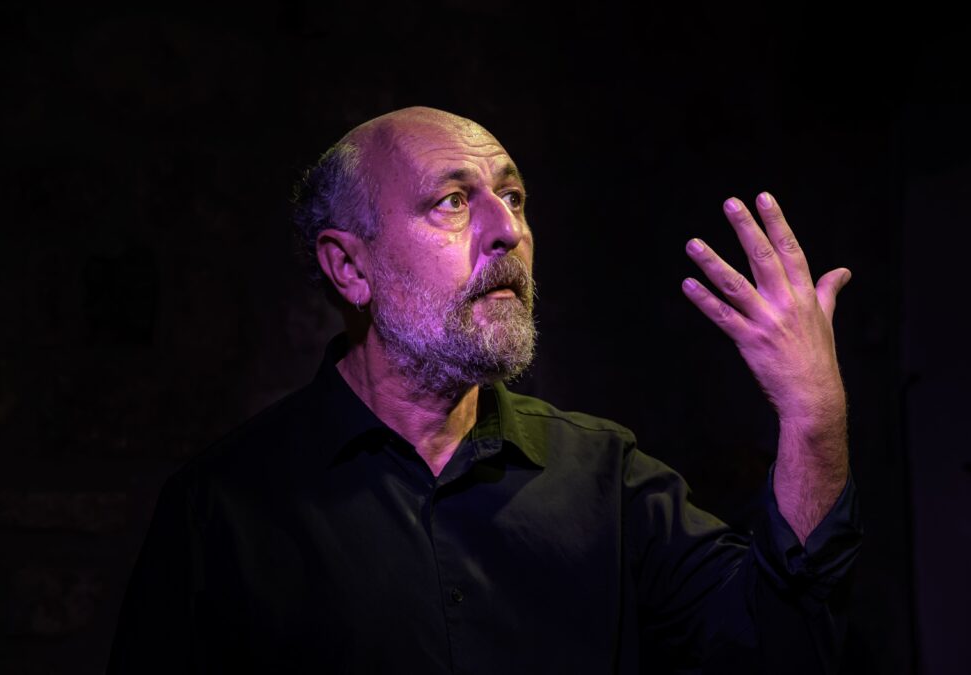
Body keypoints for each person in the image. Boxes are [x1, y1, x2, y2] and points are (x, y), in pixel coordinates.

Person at [107, 107, 861, 674]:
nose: (507, 231)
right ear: (350, 268)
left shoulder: (609, 480)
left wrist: (812, 415)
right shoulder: (222, 507)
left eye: (515, 197)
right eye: (453, 200)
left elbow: (782, 648)